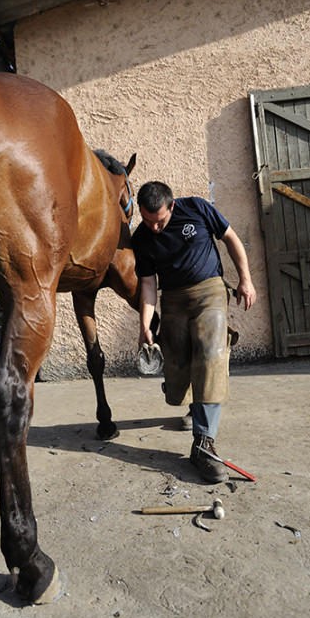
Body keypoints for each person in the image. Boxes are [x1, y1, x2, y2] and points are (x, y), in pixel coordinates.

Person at [132, 181, 256, 483]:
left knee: (210, 353)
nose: (155, 227)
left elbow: (231, 239)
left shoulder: (196, 208)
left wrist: (245, 279)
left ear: (171, 206)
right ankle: (197, 406)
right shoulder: (142, 238)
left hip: (209, 291)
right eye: (147, 221)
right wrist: (144, 325)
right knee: (179, 366)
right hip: (173, 299)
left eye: (159, 220)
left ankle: (203, 443)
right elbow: (148, 285)